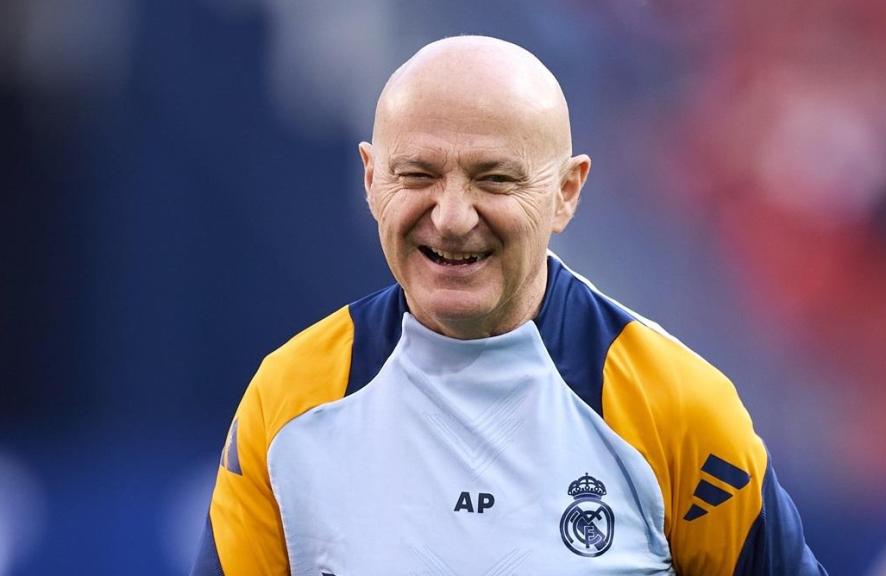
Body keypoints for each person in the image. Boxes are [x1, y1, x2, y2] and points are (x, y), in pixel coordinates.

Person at [191, 35, 827, 576]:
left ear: (566, 192)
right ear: (371, 179)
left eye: (495, 179)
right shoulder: (289, 400)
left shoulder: (676, 407)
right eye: (417, 175)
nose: (451, 216)